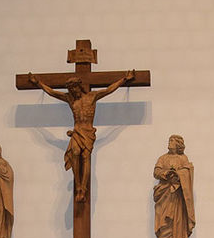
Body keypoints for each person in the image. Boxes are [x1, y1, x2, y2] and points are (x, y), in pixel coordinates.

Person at [28, 70, 135, 202]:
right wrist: (38, 83)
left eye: (74, 88)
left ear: (79, 86)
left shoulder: (92, 96)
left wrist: (124, 79)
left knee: (85, 156)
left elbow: (109, 90)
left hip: (88, 131)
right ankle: (78, 185)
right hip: (77, 131)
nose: (73, 92)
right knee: (75, 153)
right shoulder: (70, 99)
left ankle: (83, 188)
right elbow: (52, 93)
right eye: (71, 90)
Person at [153, 134, 195, 238]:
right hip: (164, 193)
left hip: (177, 194)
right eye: (169, 140)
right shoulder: (163, 158)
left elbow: (187, 171)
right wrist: (166, 174)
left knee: (177, 219)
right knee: (164, 219)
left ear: (178, 145)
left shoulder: (183, 159)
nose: (169, 142)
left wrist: (179, 175)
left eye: (172, 141)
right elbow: (156, 172)